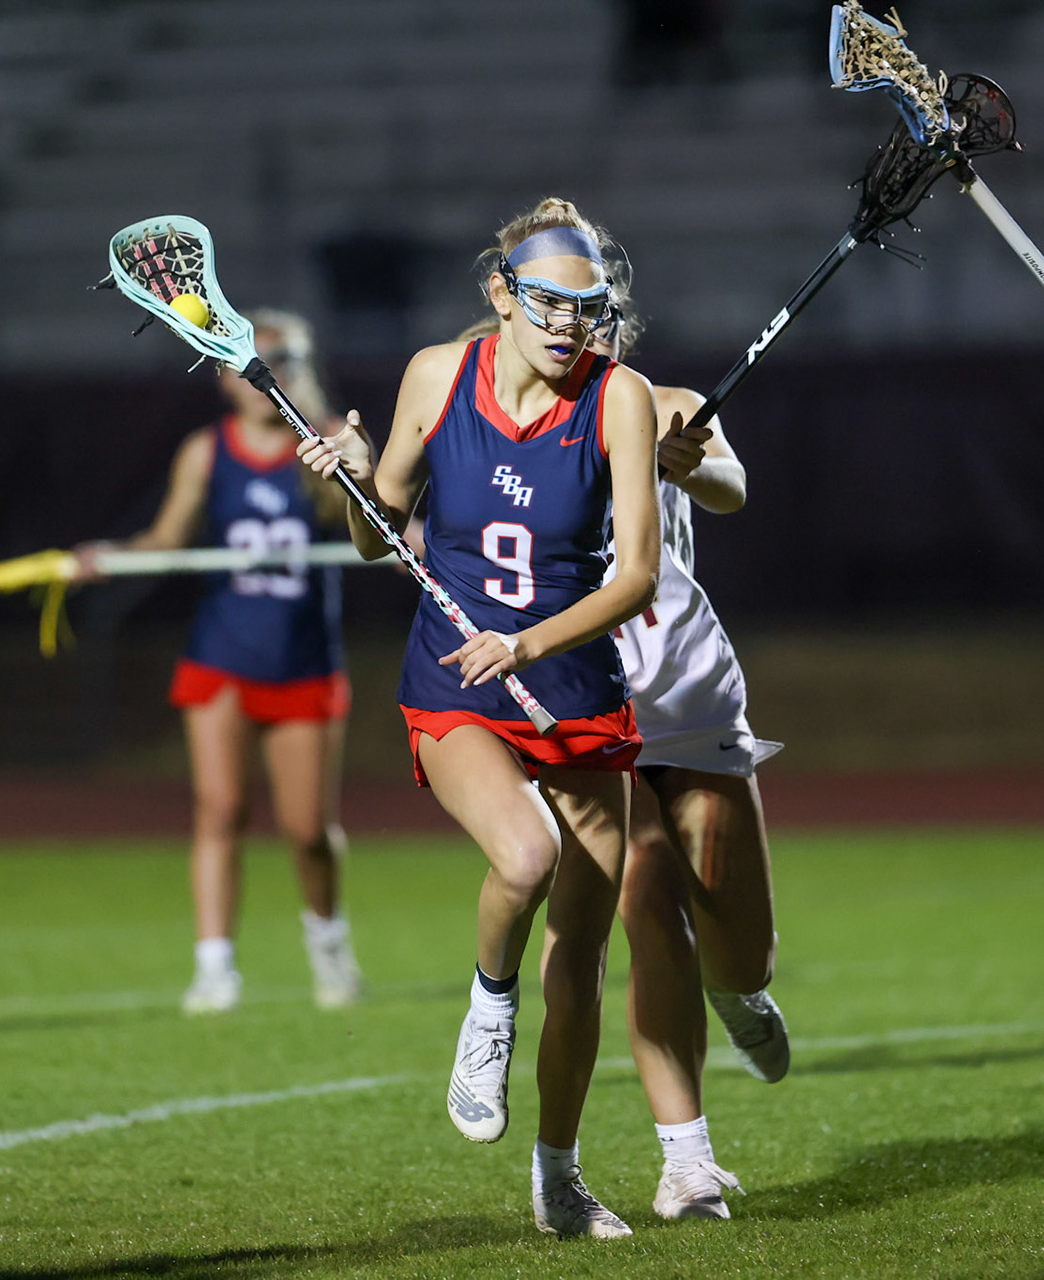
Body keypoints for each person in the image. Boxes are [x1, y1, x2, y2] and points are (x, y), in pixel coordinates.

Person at [299, 198, 660, 1239]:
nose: (569, 326)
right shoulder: (435, 377)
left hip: (573, 686)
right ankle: (488, 1004)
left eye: (587, 309)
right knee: (525, 854)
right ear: (502, 294)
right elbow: (378, 535)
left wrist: (530, 643)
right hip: (457, 678)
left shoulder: (618, 397)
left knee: (583, 955)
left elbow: (636, 575)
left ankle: (560, 1176)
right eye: (549, 303)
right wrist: (350, 481)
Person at [80, 311, 363, 1015]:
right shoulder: (206, 452)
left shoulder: (329, 440)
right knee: (221, 809)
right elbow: (167, 540)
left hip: (303, 659)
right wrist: (108, 557)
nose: (264, 376)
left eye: (280, 361)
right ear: (224, 377)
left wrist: (392, 519)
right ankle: (215, 967)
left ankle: (328, 942)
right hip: (223, 655)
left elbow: (373, 523)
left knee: (308, 830)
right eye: (247, 364)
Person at [593, 294, 789, 1222]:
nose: (577, 328)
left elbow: (732, 488)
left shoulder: (665, 402)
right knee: (644, 903)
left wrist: (691, 462)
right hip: (586, 701)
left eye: (596, 311)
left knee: (738, 942)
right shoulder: (508, 419)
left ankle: (738, 989)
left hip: (687, 693)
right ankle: (687, 1164)